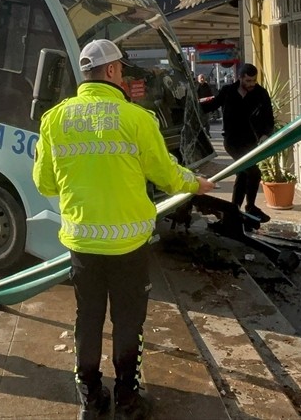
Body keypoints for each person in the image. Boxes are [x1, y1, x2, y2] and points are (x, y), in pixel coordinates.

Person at [34, 39, 214, 420]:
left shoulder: (54, 120)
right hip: (129, 245)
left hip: (83, 242)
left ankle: (91, 397)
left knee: (88, 317)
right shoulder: (137, 119)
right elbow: (165, 175)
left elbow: (45, 185)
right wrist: (195, 183)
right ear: (113, 71)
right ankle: (128, 399)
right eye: (123, 69)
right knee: (128, 321)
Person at [199, 63, 274, 222]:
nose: (251, 84)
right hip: (232, 142)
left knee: (242, 173)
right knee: (254, 173)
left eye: (254, 80)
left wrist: (266, 134)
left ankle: (234, 209)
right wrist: (193, 106)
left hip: (251, 141)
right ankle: (251, 207)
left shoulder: (260, 93)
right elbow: (212, 105)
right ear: (239, 78)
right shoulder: (228, 91)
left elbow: (269, 118)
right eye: (248, 80)